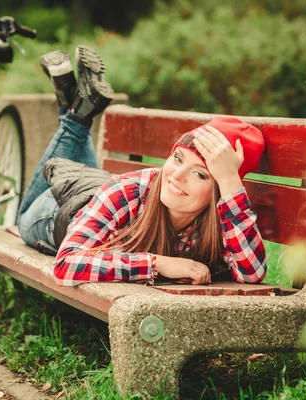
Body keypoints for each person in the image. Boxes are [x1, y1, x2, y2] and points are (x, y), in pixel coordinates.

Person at [17, 45, 266, 287]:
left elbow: (251, 275)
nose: (177, 175)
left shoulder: (222, 216)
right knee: (21, 216)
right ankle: (77, 116)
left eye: (199, 174)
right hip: (54, 214)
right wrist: (157, 264)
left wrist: (232, 183)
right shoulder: (127, 190)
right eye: (178, 158)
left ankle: (72, 99)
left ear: (220, 188)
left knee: (93, 164)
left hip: (103, 202)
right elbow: (66, 265)